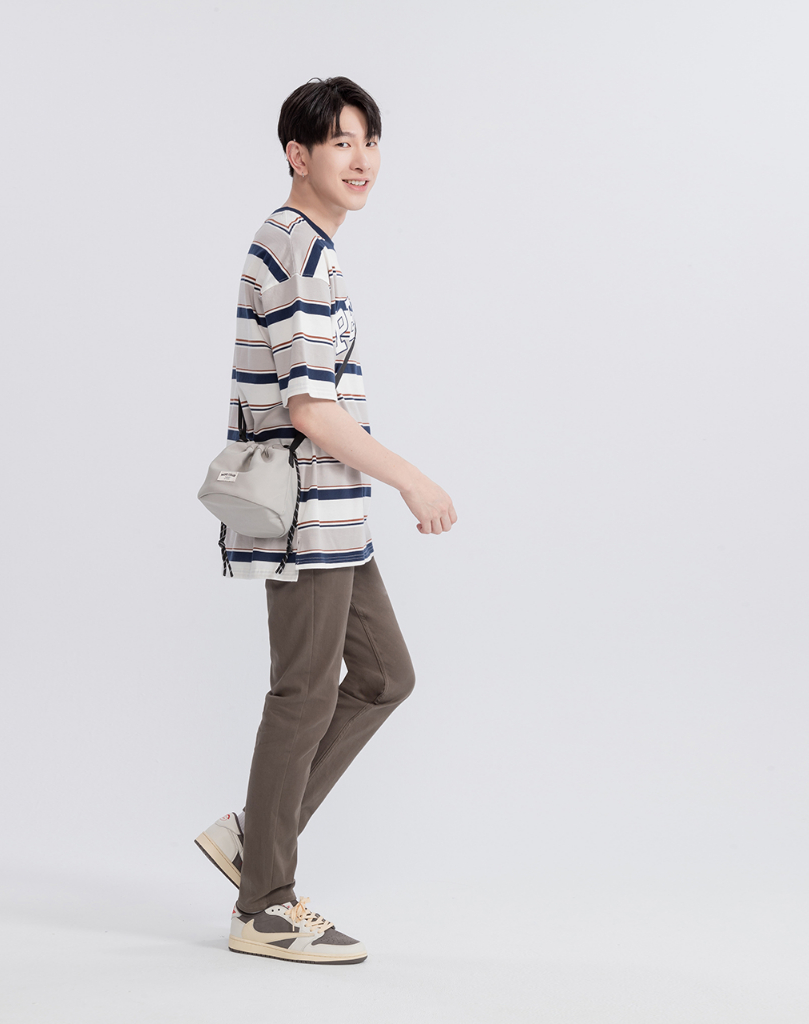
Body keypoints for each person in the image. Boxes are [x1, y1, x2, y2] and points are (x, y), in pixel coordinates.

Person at [195, 76, 457, 965]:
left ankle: (254, 840)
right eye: (340, 141)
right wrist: (412, 479)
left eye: (369, 140)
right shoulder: (297, 251)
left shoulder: (308, 245)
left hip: (335, 515)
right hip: (307, 513)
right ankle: (264, 905)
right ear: (296, 155)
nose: (361, 158)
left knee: (383, 676)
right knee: (304, 693)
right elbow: (311, 410)